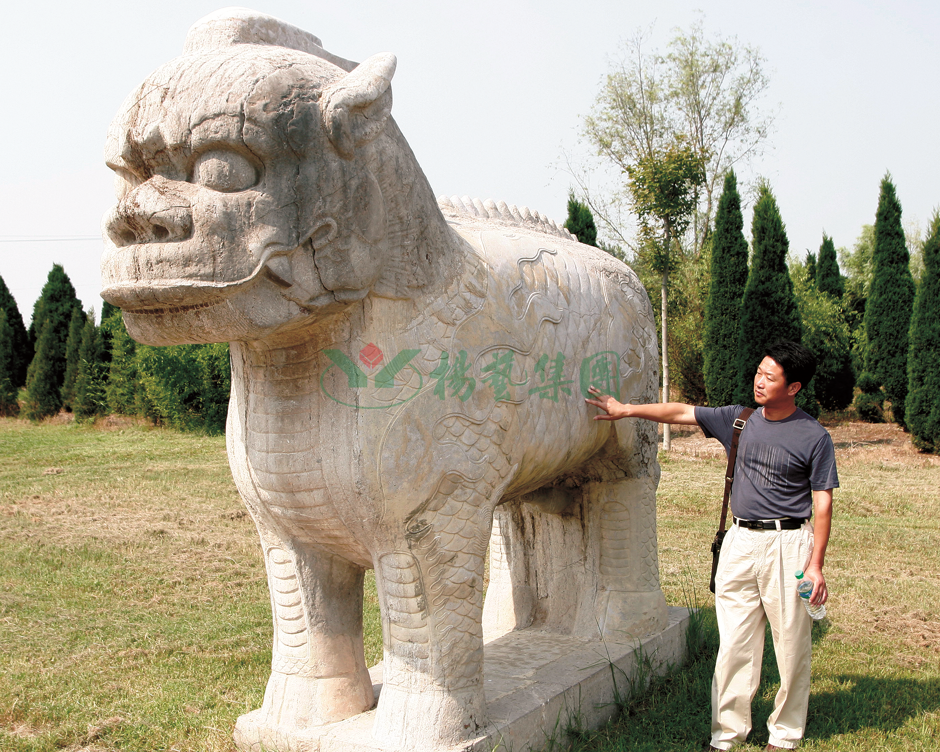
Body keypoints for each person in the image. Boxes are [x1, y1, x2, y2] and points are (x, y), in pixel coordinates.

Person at [585, 341, 836, 751]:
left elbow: (823, 502)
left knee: (791, 644)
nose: (759, 381)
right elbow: (681, 412)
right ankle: (728, 733)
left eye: (770, 377)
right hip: (739, 541)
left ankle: (785, 733)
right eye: (759, 372)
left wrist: (815, 565)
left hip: (788, 544)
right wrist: (626, 409)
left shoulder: (814, 436)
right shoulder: (739, 419)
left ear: (793, 388)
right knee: (734, 643)